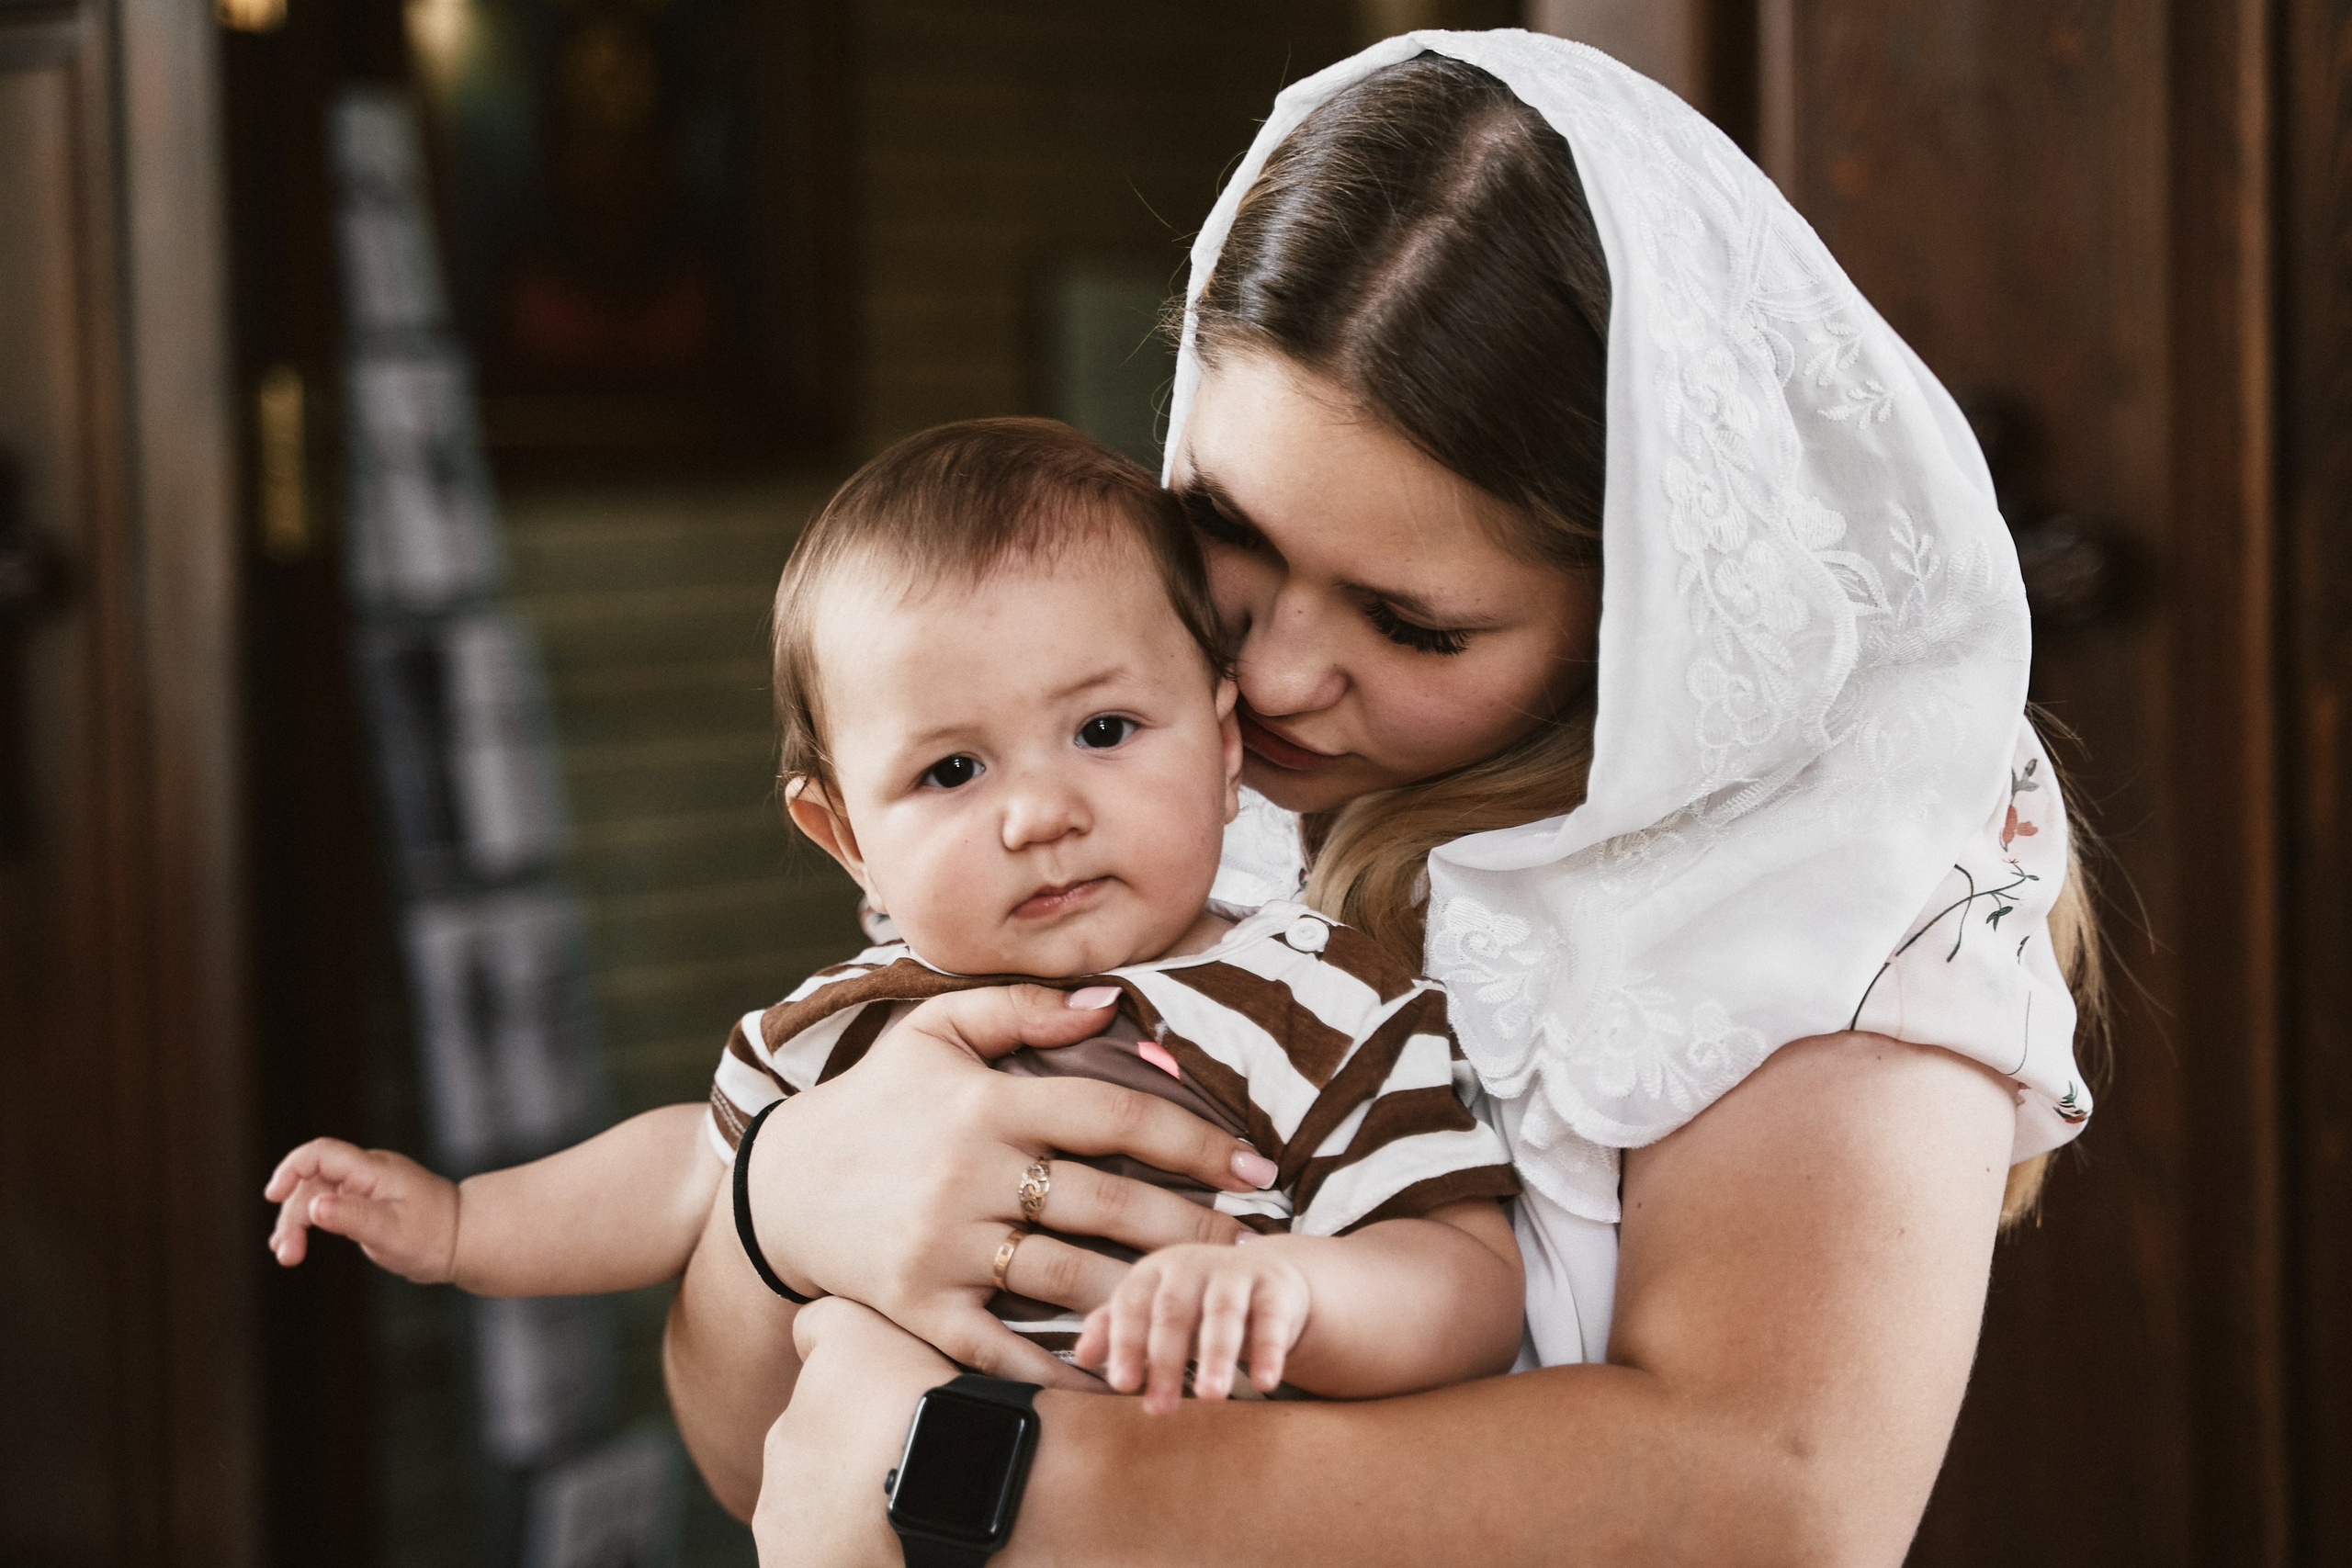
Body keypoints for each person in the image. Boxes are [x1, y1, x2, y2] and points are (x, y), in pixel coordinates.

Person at [668, 31, 2103, 1566]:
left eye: (1412, 624)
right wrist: (775, 1205)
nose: (1275, 675)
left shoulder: (1823, 895)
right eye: (1227, 529)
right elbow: (766, 1466)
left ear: (1645, 607)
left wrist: (999, 1483)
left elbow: (1784, 1506)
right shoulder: (1145, 783)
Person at [261, 418, 1524, 1417]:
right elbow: (692, 1172)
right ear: (846, 837)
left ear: (1225, 742)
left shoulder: (1321, 1000)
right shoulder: (850, 1026)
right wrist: (463, 1224)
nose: (1041, 814)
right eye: (953, 770)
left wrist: (1286, 1294)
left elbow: (1467, 1281)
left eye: (1104, 730)